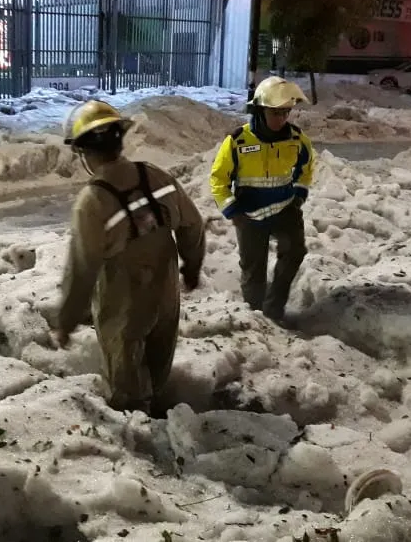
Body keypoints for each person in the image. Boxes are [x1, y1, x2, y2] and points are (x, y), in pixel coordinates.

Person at [51, 100, 206, 417]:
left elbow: (82, 268)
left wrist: (67, 320)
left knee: (126, 381)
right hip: (165, 291)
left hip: (122, 301)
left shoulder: (92, 202)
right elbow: (192, 224)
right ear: (120, 140)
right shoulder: (156, 177)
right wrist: (192, 265)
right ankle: (160, 414)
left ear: (83, 152)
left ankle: (140, 431)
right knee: (158, 359)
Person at [209, 75, 315, 325]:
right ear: (260, 110)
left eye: (286, 112)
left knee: (295, 252)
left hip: (285, 211)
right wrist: (233, 212)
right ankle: (256, 319)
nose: (282, 118)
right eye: (275, 113)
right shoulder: (238, 141)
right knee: (253, 271)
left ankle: (274, 309)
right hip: (250, 217)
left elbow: (306, 168)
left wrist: (299, 195)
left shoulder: (297, 139)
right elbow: (218, 180)